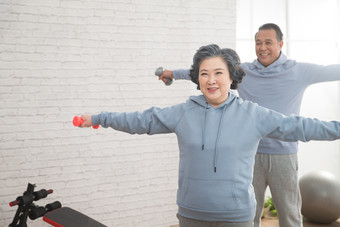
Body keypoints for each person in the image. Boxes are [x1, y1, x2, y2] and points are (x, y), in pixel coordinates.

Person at [78, 44, 340, 227]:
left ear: (232, 77)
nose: (211, 80)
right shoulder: (184, 113)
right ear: (197, 78)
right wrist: (100, 118)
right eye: (204, 74)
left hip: (237, 217)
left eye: (218, 73)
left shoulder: (253, 115)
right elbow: (141, 120)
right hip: (192, 214)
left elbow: (302, 127)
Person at [157, 23, 340, 227]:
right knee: (251, 215)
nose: (262, 47)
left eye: (268, 42)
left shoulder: (298, 70)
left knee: (290, 214)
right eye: (258, 43)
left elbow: (330, 71)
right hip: (249, 154)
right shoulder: (244, 71)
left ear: (280, 44)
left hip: (284, 153)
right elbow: (203, 70)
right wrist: (172, 73)